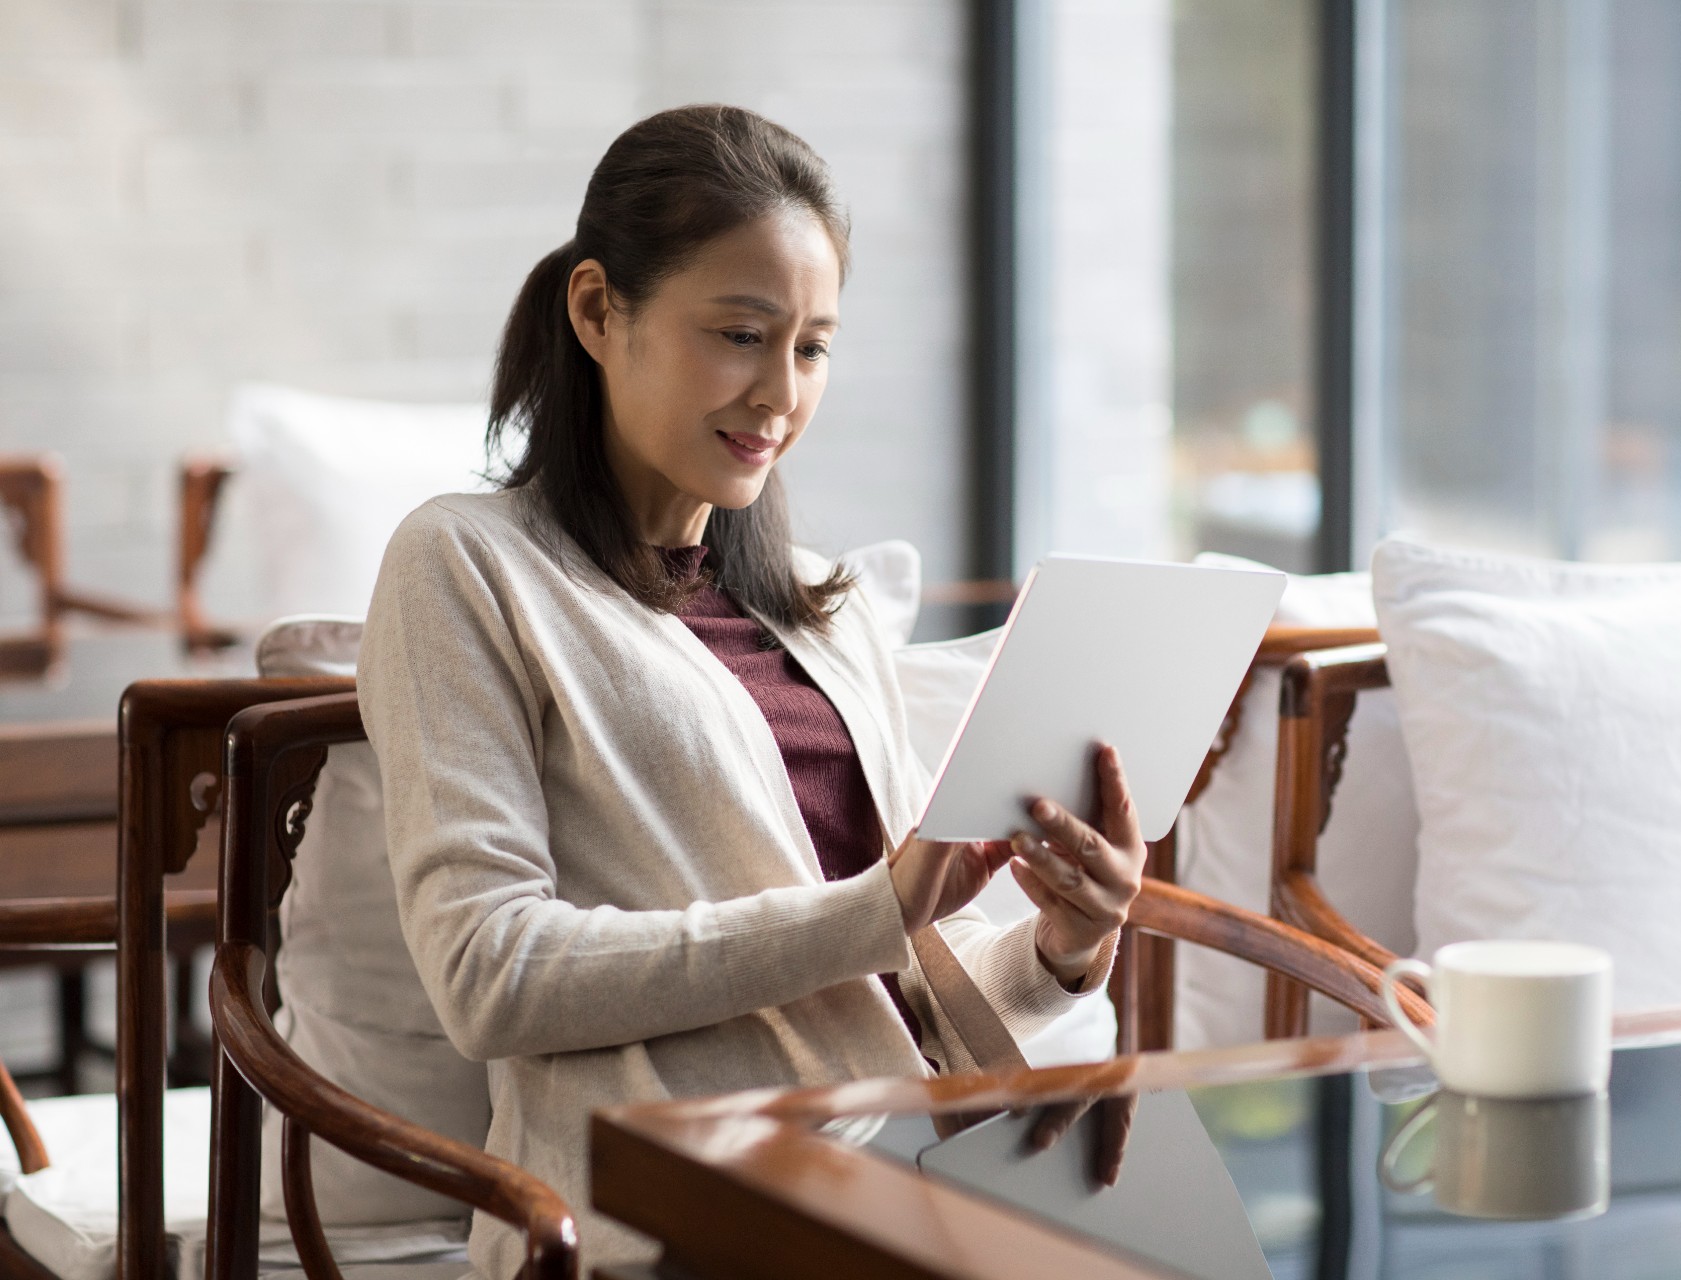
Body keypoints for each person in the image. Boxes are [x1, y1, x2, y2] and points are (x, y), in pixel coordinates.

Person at [357, 104, 1148, 1277]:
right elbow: (490, 974)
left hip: (908, 1178)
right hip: (674, 1212)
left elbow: (914, 967)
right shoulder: (465, 566)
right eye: (740, 332)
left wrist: (1065, 945)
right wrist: (876, 907)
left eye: (813, 346)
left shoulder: (822, 605)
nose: (781, 392)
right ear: (595, 310)